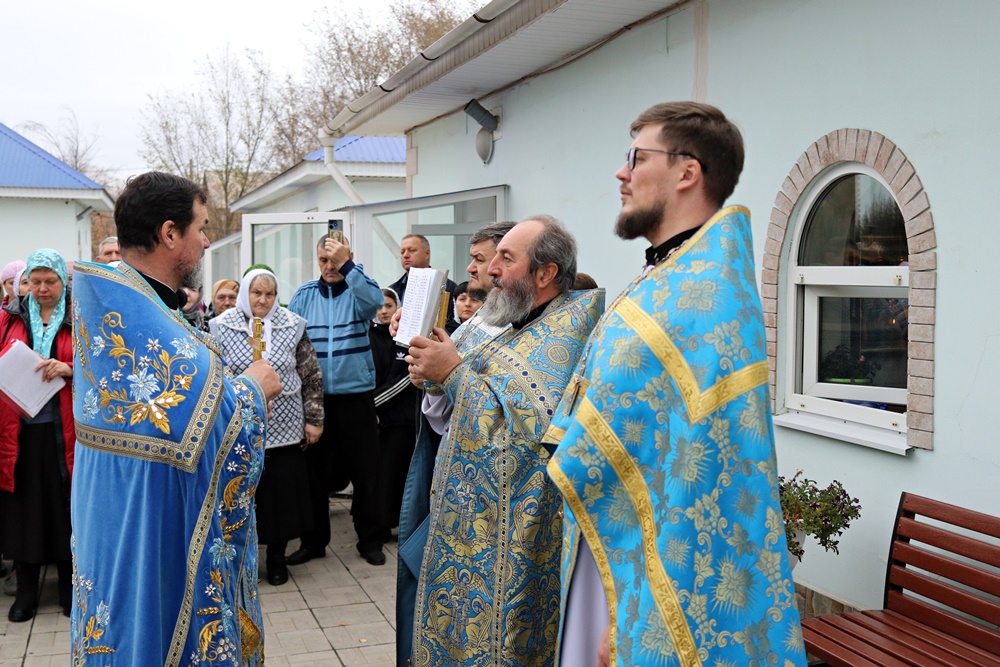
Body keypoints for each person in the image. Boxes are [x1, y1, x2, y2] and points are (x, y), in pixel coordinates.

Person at [543, 102, 805, 667]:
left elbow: (698, 478)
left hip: (650, 571)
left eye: (637, 158)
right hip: (607, 545)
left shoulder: (707, 299)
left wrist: (636, 615)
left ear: (687, 172)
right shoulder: (665, 279)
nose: (622, 173)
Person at [70, 171, 282, 665]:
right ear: (169, 234)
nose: (206, 241)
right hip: (151, 527)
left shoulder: (120, 305)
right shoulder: (149, 326)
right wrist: (254, 388)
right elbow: (202, 424)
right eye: (201, 228)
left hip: (123, 515)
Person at [403, 216, 604, 667]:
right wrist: (436, 371)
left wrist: (453, 374)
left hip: (513, 546)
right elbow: (476, 384)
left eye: (505, 258)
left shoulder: (566, 335)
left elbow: (528, 438)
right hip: (470, 526)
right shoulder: (518, 321)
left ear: (545, 273)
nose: (491, 269)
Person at [395, 218, 516, 666]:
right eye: (474, 259)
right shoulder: (479, 320)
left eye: (481, 259)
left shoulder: (521, 331)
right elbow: (441, 411)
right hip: (451, 478)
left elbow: (510, 421)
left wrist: (448, 375)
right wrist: (428, 375)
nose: (473, 269)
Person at [210, 266, 323, 586]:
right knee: (240, 495)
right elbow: (214, 373)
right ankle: (240, 561)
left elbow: (311, 375)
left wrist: (314, 420)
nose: (262, 299)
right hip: (238, 427)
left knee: (280, 497)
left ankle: (276, 559)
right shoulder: (220, 326)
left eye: (269, 294)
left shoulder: (293, 325)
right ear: (245, 293)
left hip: (285, 429)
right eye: (256, 293)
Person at [288, 235, 388, 566]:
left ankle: (371, 539)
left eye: (336, 259)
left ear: (348, 256)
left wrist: (349, 267)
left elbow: (374, 302)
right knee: (314, 474)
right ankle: (314, 541)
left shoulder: (359, 290)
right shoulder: (304, 295)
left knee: (366, 472)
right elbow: (291, 342)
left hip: (356, 396)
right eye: (324, 260)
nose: (330, 266)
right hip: (315, 400)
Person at [0, 249, 75, 622]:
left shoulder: (79, 317)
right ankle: (26, 593)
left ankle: (70, 590)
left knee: (65, 509)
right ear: (25, 282)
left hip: (65, 432)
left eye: (50, 281)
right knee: (24, 512)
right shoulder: (9, 318)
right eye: (35, 281)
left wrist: (70, 368)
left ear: (63, 282)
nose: (42, 289)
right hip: (19, 433)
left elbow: (102, 362)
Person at [368, 288, 419, 533]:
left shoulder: (406, 338)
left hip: (399, 420)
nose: (384, 311)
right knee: (376, 476)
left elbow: (407, 377)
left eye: (389, 305)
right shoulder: (368, 336)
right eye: (379, 306)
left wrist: (373, 404)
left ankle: (396, 524)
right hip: (374, 420)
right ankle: (377, 526)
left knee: (394, 474)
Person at [389, 233, 458, 328]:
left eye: (412, 250)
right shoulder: (392, 291)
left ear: (427, 253)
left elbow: (453, 324)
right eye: (402, 252)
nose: (405, 255)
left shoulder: (448, 287)